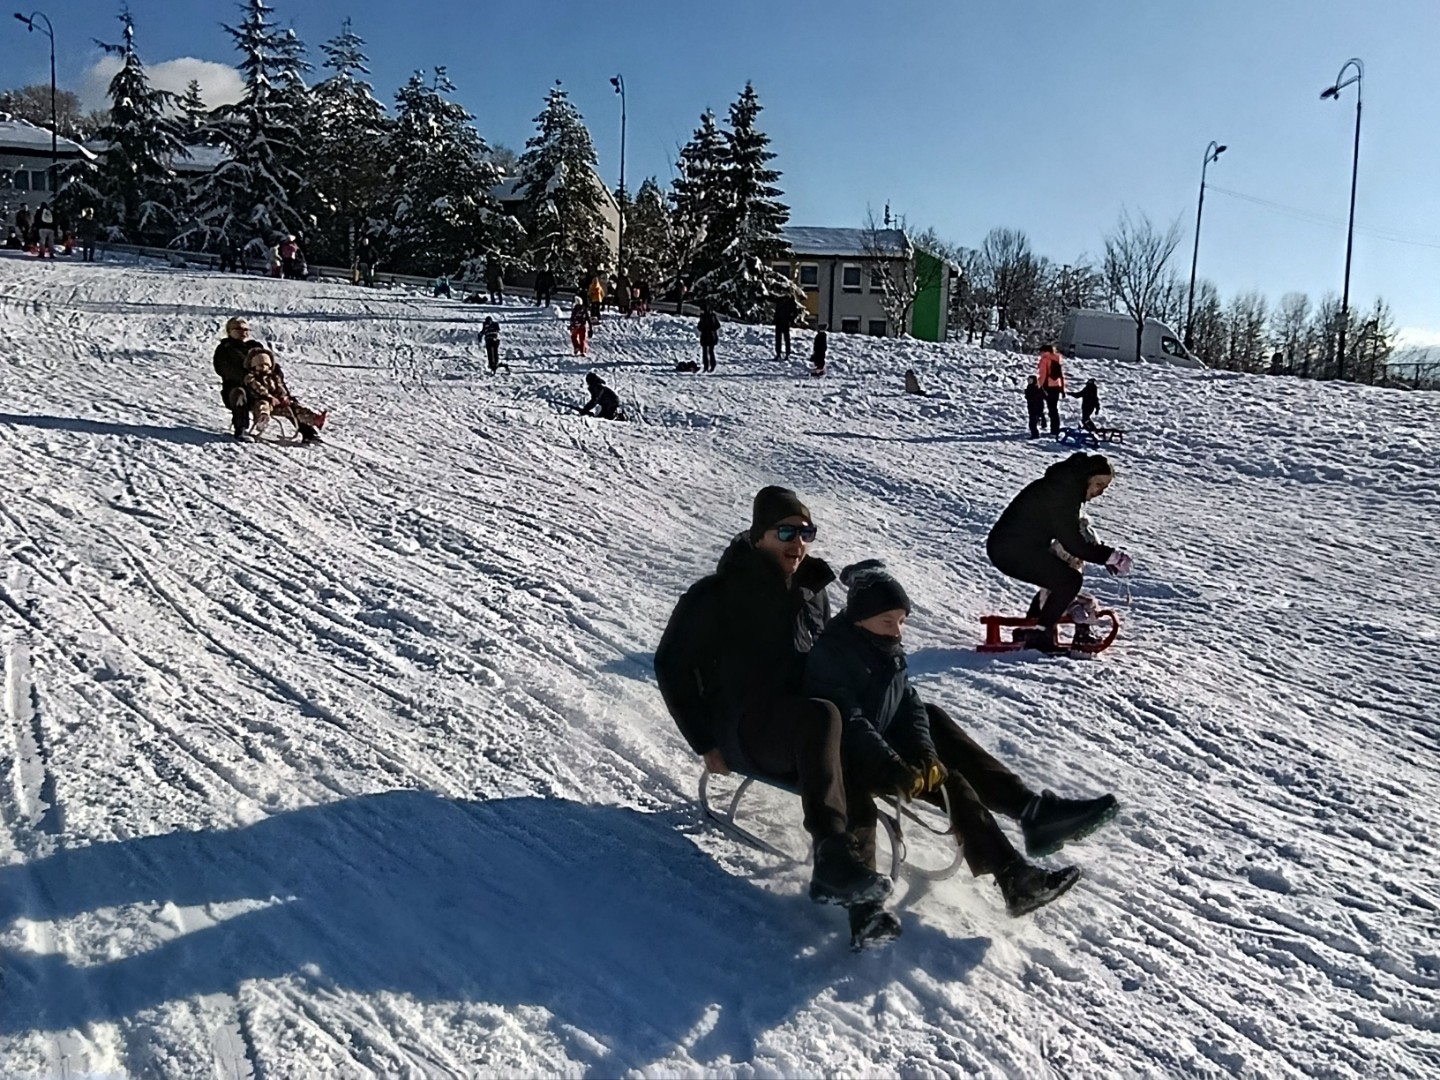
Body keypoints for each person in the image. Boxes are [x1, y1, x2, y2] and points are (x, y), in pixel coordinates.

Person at [803, 561, 1119, 944]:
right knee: (858, 804)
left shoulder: (885, 647)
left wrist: (924, 755)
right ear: (860, 618)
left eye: (902, 621)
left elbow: (910, 706)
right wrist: (893, 766)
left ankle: (1015, 877)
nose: (898, 631)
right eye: (889, 622)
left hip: (886, 752)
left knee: (952, 780)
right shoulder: (831, 655)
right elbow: (850, 722)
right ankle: (865, 912)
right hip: (842, 757)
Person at [655, 487, 892, 913]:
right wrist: (704, 742)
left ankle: (863, 908)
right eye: (786, 533)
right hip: (741, 728)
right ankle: (833, 857)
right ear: (760, 535)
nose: (798, 543)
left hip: (800, 726)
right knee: (822, 717)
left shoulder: (812, 591)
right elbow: (671, 665)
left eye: (806, 533)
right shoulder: (717, 593)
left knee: (849, 749)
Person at [986, 453, 1132, 652]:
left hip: (1015, 547)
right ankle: (1039, 634)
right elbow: (1073, 542)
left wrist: (1102, 553)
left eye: (1104, 488)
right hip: (1011, 550)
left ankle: (1030, 627)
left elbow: (1077, 533)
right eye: (1098, 484)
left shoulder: (1063, 488)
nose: (1100, 492)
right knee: (1068, 580)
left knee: (1057, 578)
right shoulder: (1062, 493)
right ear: (1087, 478)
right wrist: (1110, 556)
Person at [1025, 513, 1105, 646]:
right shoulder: (1058, 557)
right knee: (1074, 604)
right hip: (1052, 598)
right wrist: (1072, 605)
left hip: (1062, 595)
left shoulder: (1075, 560)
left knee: (1089, 602)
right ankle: (1042, 633)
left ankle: (1083, 633)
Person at [240, 349, 325, 444]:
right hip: (258, 401)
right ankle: (262, 418)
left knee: (293, 407)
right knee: (263, 404)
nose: (264, 367)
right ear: (253, 366)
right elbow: (258, 388)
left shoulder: (274, 377)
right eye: (260, 365)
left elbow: (281, 387)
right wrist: (269, 397)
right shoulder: (251, 377)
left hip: (277, 403)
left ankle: (314, 419)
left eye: (267, 365)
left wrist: (284, 397)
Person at [213, 317, 266, 438]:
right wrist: (244, 376)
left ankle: (308, 431)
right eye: (239, 329)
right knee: (239, 394)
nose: (243, 332)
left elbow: (270, 364)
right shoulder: (225, 348)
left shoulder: (255, 347)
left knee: (284, 396)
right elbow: (223, 369)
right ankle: (241, 429)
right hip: (235, 388)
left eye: (246, 329)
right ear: (229, 331)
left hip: (260, 388)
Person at [1036, 343, 1066, 437]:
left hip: (1047, 386)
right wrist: (1062, 388)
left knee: (1039, 406)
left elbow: (1043, 375)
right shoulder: (1056, 359)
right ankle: (1055, 429)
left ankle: (1041, 424)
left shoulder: (1045, 360)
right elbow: (1061, 375)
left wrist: (1038, 385)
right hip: (1056, 386)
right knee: (1054, 409)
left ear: (1044, 351)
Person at [774, 290, 800, 360]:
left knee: (784, 338)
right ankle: (781, 354)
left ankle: (784, 354)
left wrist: (791, 319)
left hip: (784, 321)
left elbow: (795, 312)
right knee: (781, 338)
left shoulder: (789, 301)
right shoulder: (781, 300)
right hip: (781, 321)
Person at [698, 302, 721, 373]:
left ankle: (712, 365)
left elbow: (717, 325)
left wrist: (711, 328)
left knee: (710, 351)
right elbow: (699, 326)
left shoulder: (713, 316)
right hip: (705, 335)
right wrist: (703, 328)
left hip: (711, 335)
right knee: (705, 351)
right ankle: (706, 366)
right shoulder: (702, 316)